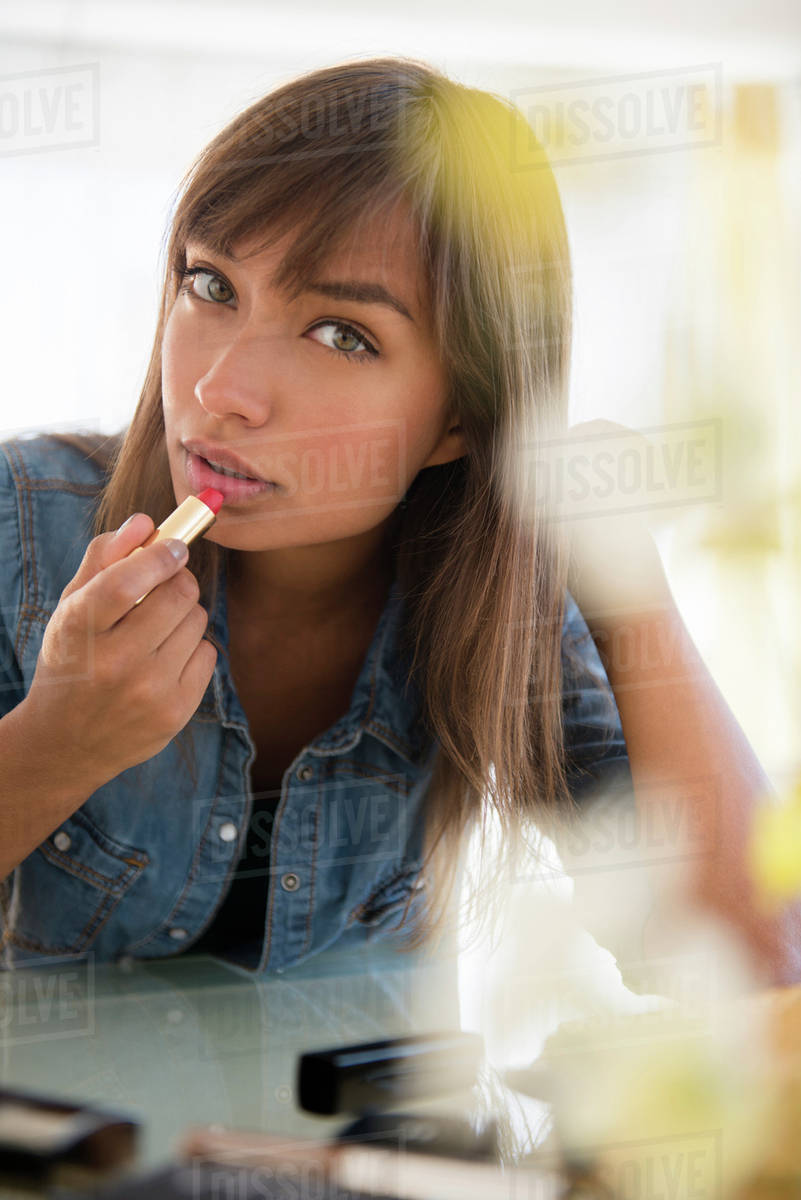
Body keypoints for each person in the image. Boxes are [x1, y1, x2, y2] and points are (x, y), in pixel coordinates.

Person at [0, 57, 794, 982]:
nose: (221, 392)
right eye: (212, 285)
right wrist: (61, 738)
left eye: (342, 334)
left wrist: (634, 594)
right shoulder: (25, 522)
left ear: (460, 416)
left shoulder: (502, 611)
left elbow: (754, 955)